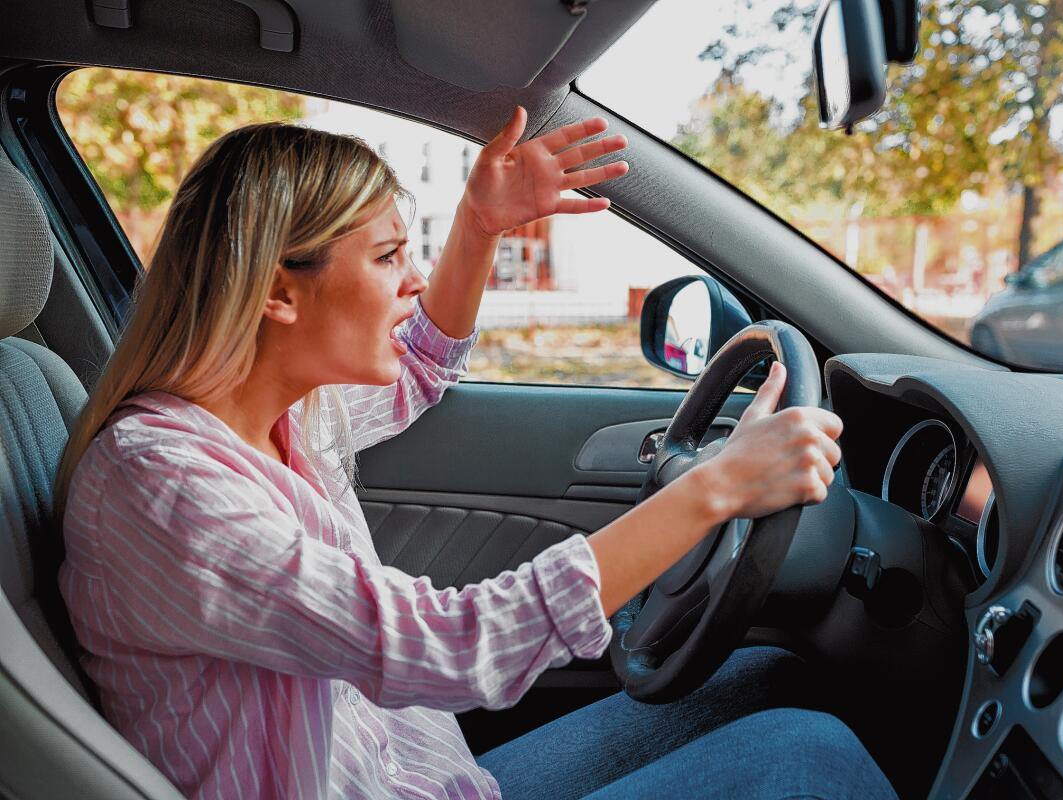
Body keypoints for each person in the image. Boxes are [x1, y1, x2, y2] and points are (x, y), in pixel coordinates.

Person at [54, 108, 895, 800]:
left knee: (767, 674)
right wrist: (712, 490)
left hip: (431, 781)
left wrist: (482, 222)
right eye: (389, 257)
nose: (414, 279)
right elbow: (447, 649)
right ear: (277, 290)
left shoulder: (288, 417)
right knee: (808, 757)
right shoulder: (164, 487)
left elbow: (420, 361)